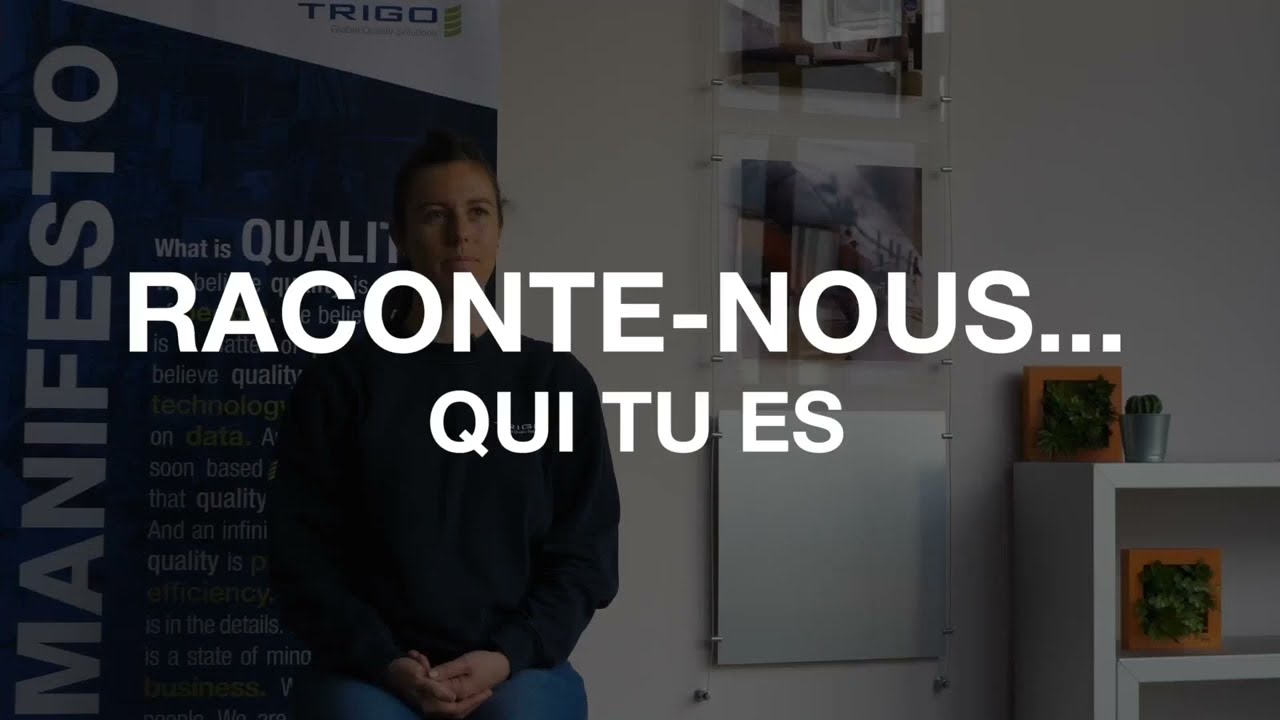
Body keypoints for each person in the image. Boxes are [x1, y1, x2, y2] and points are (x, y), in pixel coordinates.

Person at [267, 130, 620, 720]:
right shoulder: (341, 383)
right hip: (372, 671)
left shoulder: (556, 381)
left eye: (478, 213)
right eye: (436, 215)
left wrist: (506, 655)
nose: (461, 234)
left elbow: (586, 559)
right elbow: (301, 559)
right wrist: (385, 662)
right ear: (401, 235)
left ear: (499, 230)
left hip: (514, 668)